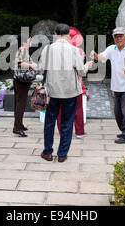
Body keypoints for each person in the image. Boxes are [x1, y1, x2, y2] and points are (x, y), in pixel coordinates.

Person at [38, 23, 93, 162]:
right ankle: (62, 154)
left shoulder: (48, 49)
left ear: (55, 33)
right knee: (67, 123)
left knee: (50, 121)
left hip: (52, 92)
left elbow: (41, 70)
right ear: (68, 34)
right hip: (70, 92)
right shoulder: (74, 50)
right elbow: (81, 71)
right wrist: (87, 66)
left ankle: (48, 152)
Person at [91, 27, 125, 144]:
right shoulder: (111, 49)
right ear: (114, 38)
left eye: (120, 36)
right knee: (118, 112)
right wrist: (95, 56)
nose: (118, 38)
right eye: (116, 36)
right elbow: (102, 57)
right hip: (116, 85)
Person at [13, 35, 38, 137]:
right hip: (21, 80)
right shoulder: (23, 50)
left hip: (19, 80)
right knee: (21, 103)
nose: (31, 42)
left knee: (19, 102)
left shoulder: (23, 50)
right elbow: (20, 64)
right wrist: (32, 65)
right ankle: (17, 128)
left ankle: (19, 124)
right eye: (29, 40)